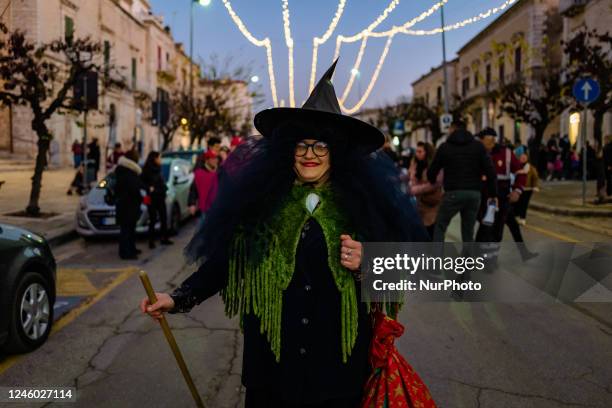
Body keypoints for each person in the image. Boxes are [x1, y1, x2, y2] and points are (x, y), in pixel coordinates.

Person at [140, 60, 428, 407]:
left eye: (321, 145)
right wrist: (178, 297)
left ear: (336, 151)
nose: (309, 154)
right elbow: (226, 262)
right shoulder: (263, 203)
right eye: (301, 145)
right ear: (287, 149)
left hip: (336, 374)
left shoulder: (362, 208)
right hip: (272, 371)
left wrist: (369, 261)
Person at [428, 120, 497, 242]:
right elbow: (490, 172)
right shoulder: (478, 147)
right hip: (474, 193)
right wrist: (492, 194)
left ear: (453, 129)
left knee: (440, 226)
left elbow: (432, 170)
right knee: (468, 231)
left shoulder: (445, 147)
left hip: (453, 193)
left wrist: (432, 180)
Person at [475, 128, 535, 260]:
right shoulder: (478, 152)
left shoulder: (506, 154)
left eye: (481, 139)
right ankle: (483, 258)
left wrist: (517, 191)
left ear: (490, 140)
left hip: (502, 198)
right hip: (483, 197)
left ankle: (490, 258)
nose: (479, 142)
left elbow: (520, 172)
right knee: (486, 229)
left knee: (497, 229)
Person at [408, 142, 443, 240]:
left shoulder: (434, 165)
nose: (417, 154)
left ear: (427, 153)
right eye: (416, 151)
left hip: (431, 204)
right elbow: (410, 176)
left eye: (420, 151)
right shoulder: (414, 164)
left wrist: (416, 189)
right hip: (418, 205)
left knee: (431, 233)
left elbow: (436, 183)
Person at [115, 149, 143, 260]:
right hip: (128, 206)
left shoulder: (124, 170)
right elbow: (134, 188)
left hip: (127, 206)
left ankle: (132, 248)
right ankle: (126, 253)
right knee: (126, 231)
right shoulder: (128, 172)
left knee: (130, 230)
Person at [141, 151, 173, 249]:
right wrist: (148, 188)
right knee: (153, 219)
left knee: (163, 217)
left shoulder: (158, 169)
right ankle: (151, 241)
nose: (161, 160)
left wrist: (164, 188)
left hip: (160, 196)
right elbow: (141, 182)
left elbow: (160, 182)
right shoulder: (146, 170)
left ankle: (164, 238)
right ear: (154, 159)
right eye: (159, 158)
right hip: (151, 197)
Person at [188, 150, 219, 226]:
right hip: (204, 209)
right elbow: (193, 190)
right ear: (207, 160)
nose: (215, 161)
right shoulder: (199, 173)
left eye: (216, 158)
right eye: (213, 158)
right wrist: (192, 203)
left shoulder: (219, 172)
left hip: (217, 208)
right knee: (200, 234)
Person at [514, 151, 539, 225]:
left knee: (524, 204)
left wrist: (535, 186)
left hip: (527, 189)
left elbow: (535, 177)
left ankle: (522, 218)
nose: (523, 159)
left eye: (524, 157)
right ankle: (516, 215)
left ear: (527, 158)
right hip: (518, 187)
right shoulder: (516, 166)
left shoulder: (530, 168)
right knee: (517, 202)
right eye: (522, 157)